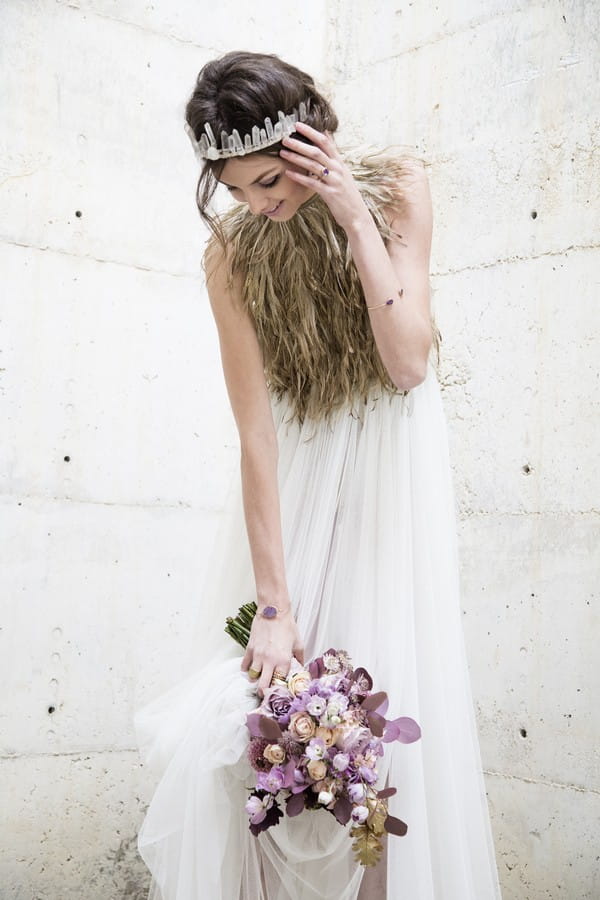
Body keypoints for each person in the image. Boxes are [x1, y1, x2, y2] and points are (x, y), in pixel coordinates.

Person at [134, 50, 502, 900]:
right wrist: (273, 601)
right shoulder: (233, 258)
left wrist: (347, 211)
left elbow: (407, 364)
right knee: (271, 739)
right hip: (295, 491)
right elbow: (256, 435)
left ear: (314, 139)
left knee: (382, 743)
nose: (260, 205)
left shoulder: (398, 186)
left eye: (270, 179)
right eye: (238, 190)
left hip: (389, 485)